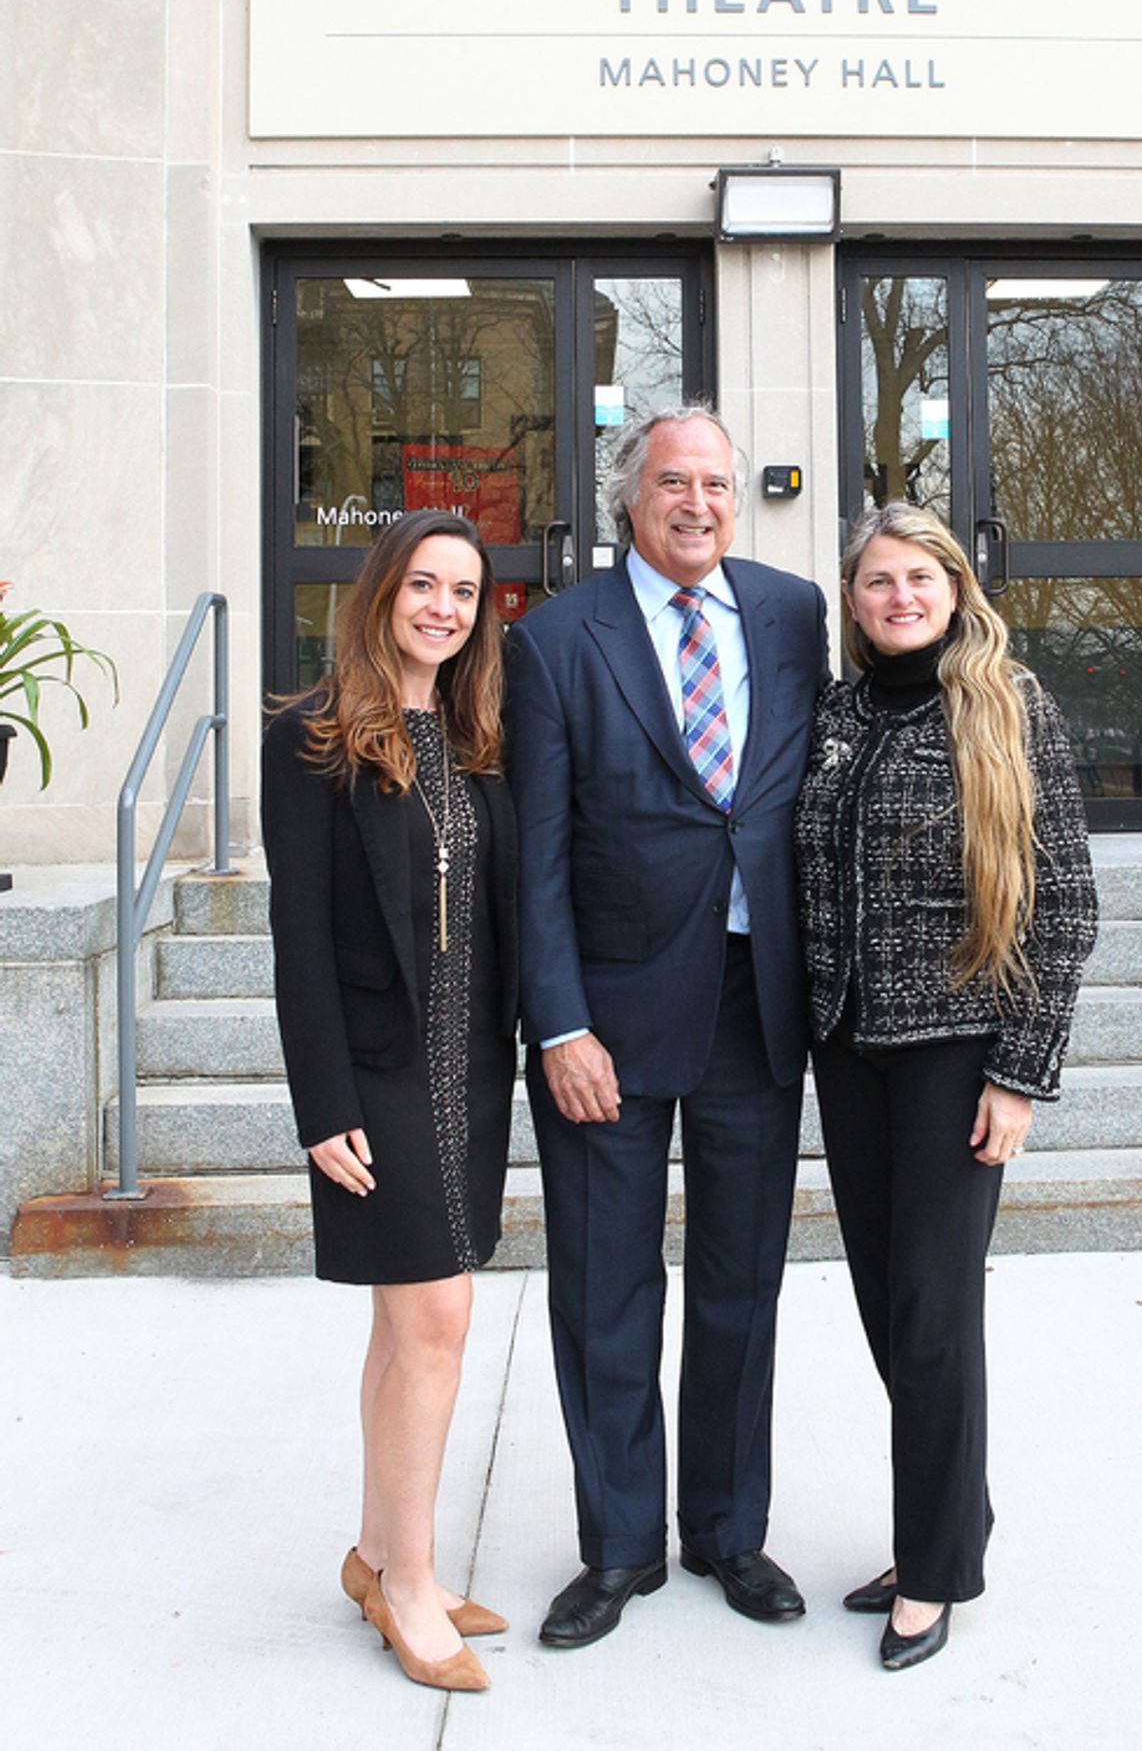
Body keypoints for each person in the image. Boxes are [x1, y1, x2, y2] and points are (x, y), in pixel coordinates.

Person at [505, 403, 829, 1649]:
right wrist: (559, 1024)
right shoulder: (552, 640)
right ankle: (621, 1543)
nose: (697, 502)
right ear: (627, 499)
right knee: (605, 1286)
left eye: (716, 483)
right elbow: (535, 858)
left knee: (743, 1283)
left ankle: (727, 1531)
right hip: (610, 1023)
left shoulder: (793, 614)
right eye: (672, 482)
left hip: (757, 1004)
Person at [794, 500, 1097, 1671]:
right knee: (888, 1306)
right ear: (855, 600)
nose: (897, 597)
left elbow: (1059, 905)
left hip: (954, 1053)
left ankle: (933, 1567)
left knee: (929, 1312)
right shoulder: (836, 713)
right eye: (875, 581)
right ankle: (947, 1514)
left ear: (955, 586)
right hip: (845, 1045)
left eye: (917, 576)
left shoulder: (1009, 709)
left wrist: (1018, 1073)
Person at [261, 508, 518, 1695]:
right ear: (381, 590)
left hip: (471, 1067)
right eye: (424, 584)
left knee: (399, 1326)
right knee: (436, 1324)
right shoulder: (313, 734)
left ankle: (375, 1554)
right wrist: (322, 1102)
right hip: (378, 1069)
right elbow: (298, 938)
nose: (443, 608)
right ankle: (410, 1586)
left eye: (464, 593)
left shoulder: (475, 733)